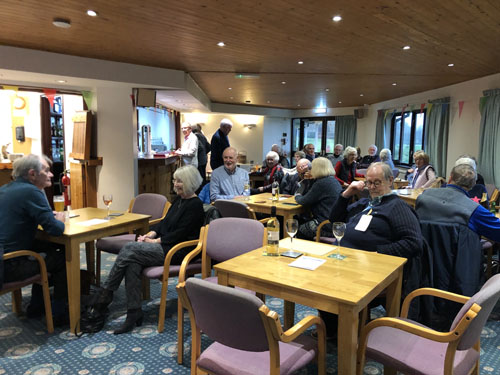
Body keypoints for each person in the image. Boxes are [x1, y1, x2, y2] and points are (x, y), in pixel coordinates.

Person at [95, 165, 204, 334]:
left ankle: (105, 294)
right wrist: (151, 234)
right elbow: (164, 223)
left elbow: (180, 233)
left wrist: (156, 242)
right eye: (175, 180)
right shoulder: (179, 201)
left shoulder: (195, 205)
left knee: (130, 248)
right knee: (132, 261)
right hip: (165, 245)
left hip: (177, 250)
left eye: (179, 181)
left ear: (189, 182)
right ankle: (133, 311)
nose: (175, 184)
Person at [325, 162, 424, 336]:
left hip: (369, 268)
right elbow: (334, 221)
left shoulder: (397, 208)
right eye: (368, 182)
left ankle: (344, 331)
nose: (372, 187)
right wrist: (347, 193)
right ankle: (335, 329)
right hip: (344, 259)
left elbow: (414, 242)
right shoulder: (365, 204)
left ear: (390, 181)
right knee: (316, 280)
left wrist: (378, 252)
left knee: (329, 285)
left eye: (377, 182)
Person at [0, 154, 68, 324]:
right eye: (46, 170)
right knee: (64, 257)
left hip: (4, 256)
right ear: (32, 174)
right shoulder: (31, 191)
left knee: (48, 249)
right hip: (9, 265)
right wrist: (59, 220)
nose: (51, 174)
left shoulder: (5, 189)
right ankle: (58, 313)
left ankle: (37, 307)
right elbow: (54, 230)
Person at [416, 163, 500, 243]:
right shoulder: (474, 210)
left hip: (424, 255)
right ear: (473, 184)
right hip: (462, 257)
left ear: (450, 179)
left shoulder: (423, 197)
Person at [295, 157, 342, 240]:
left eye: (312, 168)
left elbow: (303, 201)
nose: (310, 170)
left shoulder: (321, 183)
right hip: (336, 223)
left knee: (299, 230)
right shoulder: (333, 180)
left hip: (324, 224)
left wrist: (297, 195)